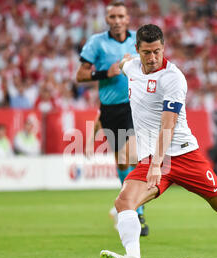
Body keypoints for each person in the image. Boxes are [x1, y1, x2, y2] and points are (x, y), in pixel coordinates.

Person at [100, 25, 217, 258]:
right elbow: (125, 63)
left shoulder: (173, 78)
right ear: (138, 49)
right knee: (124, 201)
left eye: (157, 51)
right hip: (153, 159)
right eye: (147, 52)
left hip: (184, 155)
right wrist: (121, 61)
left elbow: (168, 125)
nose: (152, 57)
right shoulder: (132, 67)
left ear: (163, 49)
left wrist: (157, 165)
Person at [76, 1, 149, 236]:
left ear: (128, 19)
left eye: (121, 16)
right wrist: (105, 73)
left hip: (133, 105)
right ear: (107, 20)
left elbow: (152, 64)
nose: (117, 20)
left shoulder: (137, 41)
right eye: (113, 17)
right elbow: (80, 75)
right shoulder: (97, 43)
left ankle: (136, 211)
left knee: (133, 156)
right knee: (121, 164)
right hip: (110, 110)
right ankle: (129, 206)